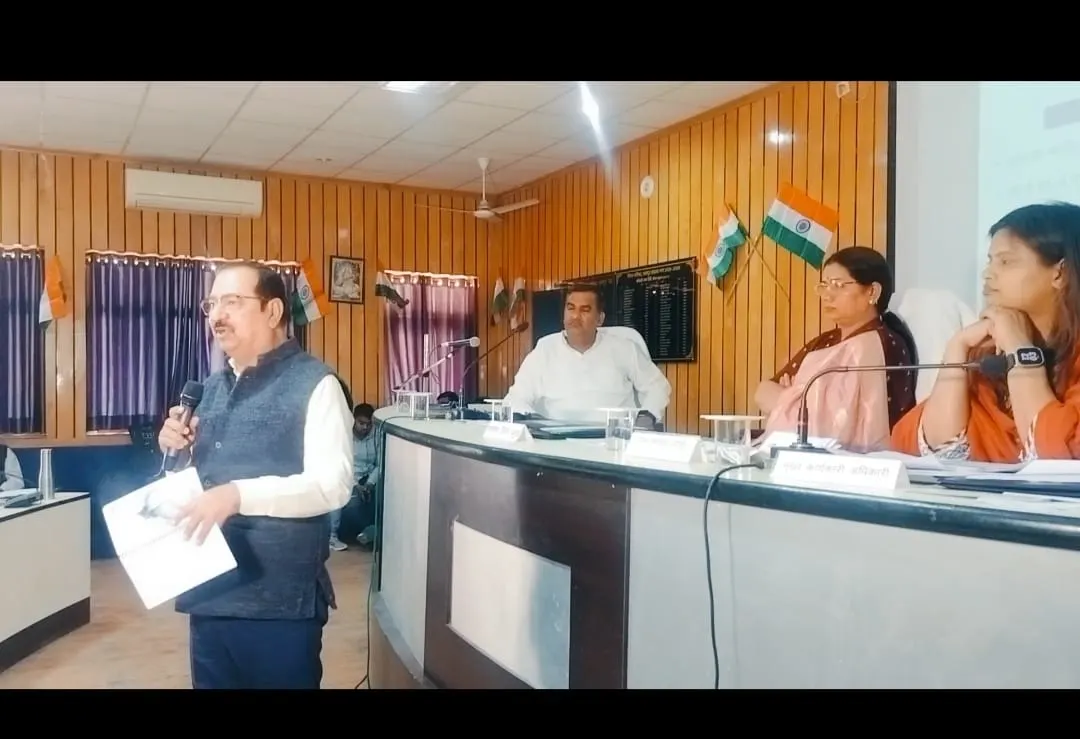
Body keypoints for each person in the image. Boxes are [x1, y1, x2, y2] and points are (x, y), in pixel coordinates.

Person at [158, 261, 353, 690]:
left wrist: (236, 495)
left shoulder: (317, 385)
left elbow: (332, 484)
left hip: (279, 603)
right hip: (208, 593)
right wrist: (177, 449)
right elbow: (202, 478)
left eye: (232, 301)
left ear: (273, 311)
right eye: (211, 303)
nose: (216, 314)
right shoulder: (208, 388)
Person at [893, 202, 1080, 462]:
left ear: (1060, 273)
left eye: (1005, 261)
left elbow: (1061, 457)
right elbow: (925, 450)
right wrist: (956, 348)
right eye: (991, 261)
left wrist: (1020, 350)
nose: (987, 274)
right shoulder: (988, 354)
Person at [755, 246, 917, 452]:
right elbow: (762, 392)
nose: (827, 295)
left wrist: (793, 396)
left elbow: (841, 426)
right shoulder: (825, 342)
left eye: (838, 285)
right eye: (824, 285)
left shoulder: (880, 345)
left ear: (872, 291)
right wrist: (796, 398)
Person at [503, 283, 671, 426]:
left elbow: (657, 387)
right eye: (570, 308)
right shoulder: (544, 349)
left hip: (614, 443)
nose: (575, 316)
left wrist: (646, 418)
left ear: (600, 319)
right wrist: (537, 424)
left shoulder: (624, 348)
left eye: (585, 310)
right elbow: (516, 398)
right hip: (556, 445)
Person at [350, 403, 380, 548]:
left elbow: (380, 463)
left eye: (368, 424)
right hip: (350, 477)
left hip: (370, 475)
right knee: (354, 504)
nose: (365, 428)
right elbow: (341, 466)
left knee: (380, 495)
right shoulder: (344, 435)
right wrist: (356, 484)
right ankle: (368, 533)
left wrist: (369, 483)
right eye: (361, 423)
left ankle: (370, 533)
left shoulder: (376, 434)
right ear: (353, 420)